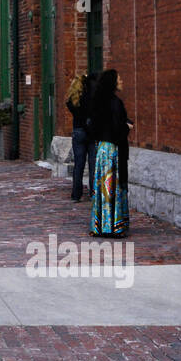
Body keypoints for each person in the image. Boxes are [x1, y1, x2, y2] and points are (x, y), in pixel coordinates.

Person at [87, 69, 132, 237]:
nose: (121, 81)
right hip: (113, 149)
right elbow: (117, 128)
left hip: (102, 149)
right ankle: (113, 225)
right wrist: (127, 127)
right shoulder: (115, 103)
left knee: (103, 187)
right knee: (113, 186)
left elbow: (92, 127)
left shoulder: (98, 101)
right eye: (119, 78)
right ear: (112, 82)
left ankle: (100, 224)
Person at [66, 73, 96, 201]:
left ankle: (76, 194)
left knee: (79, 165)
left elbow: (70, 107)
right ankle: (93, 193)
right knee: (93, 165)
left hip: (78, 132)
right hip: (91, 132)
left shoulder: (72, 100)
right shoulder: (91, 96)